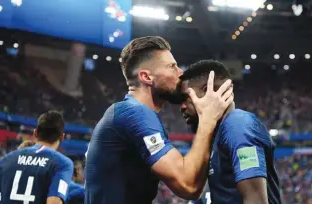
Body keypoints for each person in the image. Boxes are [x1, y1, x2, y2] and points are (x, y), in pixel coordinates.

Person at [85, 36, 234, 204]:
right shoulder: (134, 113)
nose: (180, 73)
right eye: (172, 67)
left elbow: (194, 189)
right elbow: (188, 185)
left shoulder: (131, 113)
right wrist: (208, 118)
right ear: (146, 77)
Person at [179, 60, 281, 204]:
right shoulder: (216, 134)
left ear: (210, 90)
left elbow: (256, 200)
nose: (182, 107)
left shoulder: (238, 125)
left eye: (185, 98)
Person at [0, 110, 74, 204]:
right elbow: (54, 202)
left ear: (35, 133)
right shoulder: (62, 163)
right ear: (62, 137)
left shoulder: (4, 160)